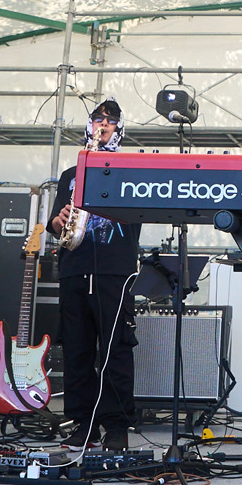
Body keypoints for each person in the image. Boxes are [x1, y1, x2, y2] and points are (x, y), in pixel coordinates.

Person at [49, 100, 140, 449]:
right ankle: (82, 423)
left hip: (114, 271)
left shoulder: (131, 169)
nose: (104, 124)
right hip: (75, 268)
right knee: (77, 350)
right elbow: (56, 223)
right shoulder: (70, 175)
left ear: (120, 129)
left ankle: (116, 425)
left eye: (111, 120)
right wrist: (59, 221)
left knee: (116, 350)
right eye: (98, 118)